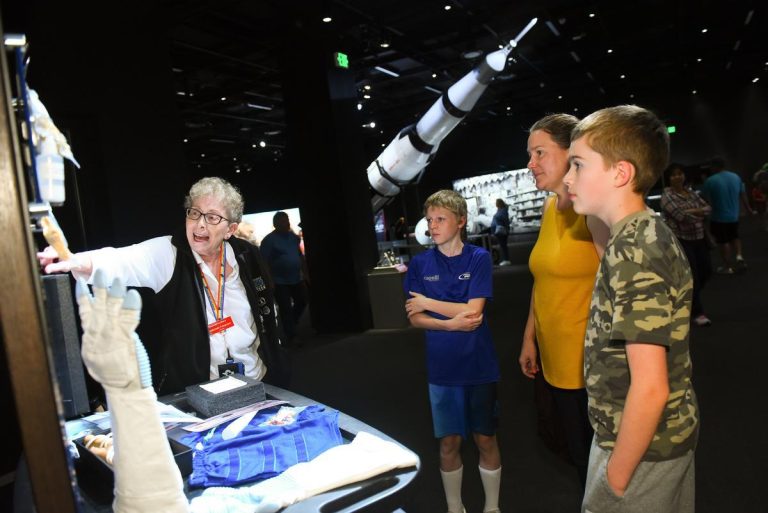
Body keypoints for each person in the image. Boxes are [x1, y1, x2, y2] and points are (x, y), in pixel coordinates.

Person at [563, 105, 699, 513]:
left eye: (578, 165)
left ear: (621, 174)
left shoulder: (635, 248)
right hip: (650, 439)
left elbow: (651, 386)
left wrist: (615, 482)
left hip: (641, 448)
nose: (569, 178)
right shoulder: (637, 233)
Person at [37, 177, 289, 394]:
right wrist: (74, 260)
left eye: (212, 218)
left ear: (230, 229)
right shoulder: (168, 253)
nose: (200, 224)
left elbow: (266, 313)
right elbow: (120, 259)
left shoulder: (247, 256)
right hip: (199, 390)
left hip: (255, 380)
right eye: (194, 213)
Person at [519, 113, 609, 490]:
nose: (530, 163)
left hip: (589, 366)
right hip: (554, 361)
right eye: (529, 154)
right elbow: (542, 281)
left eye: (540, 152)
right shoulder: (548, 208)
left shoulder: (590, 214)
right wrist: (529, 338)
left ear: (570, 152)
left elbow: (619, 288)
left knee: (598, 466)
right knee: (577, 457)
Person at [404, 190, 502, 513]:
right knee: (448, 442)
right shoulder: (419, 264)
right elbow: (415, 318)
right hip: (442, 369)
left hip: (479, 366)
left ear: (461, 221)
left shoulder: (478, 258)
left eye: (440, 219)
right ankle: (454, 507)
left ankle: (492, 507)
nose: (433, 225)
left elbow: (473, 313)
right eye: (430, 219)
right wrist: (451, 324)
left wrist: (431, 305)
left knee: (485, 438)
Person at [661, 164, 713, 326]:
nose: (677, 177)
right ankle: (697, 313)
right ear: (668, 179)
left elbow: (708, 208)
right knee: (693, 277)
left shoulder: (690, 192)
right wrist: (698, 211)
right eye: (673, 175)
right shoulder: (666, 196)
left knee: (706, 271)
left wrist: (695, 212)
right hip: (682, 241)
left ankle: (685, 299)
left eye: (680, 173)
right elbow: (681, 216)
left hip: (699, 238)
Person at [259, 211, 308, 345]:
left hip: (296, 278)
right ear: (275, 224)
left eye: (287, 220)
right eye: (282, 221)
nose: (286, 223)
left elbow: (299, 256)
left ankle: (290, 323)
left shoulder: (293, 237)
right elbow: (264, 262)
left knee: (302, 301)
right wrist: (269, 280)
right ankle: (291, 336)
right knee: (285, 307)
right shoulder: (269, 240)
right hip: (279, 281)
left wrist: (305, 274)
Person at [700, 157, 755, 273]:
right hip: (734, 216)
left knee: (723, 241)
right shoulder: (736, 177)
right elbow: (743, 195)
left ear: (714, 166)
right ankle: (739, 256)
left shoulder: (710, 181)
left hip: (718, 217)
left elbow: (702, 198)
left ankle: (728, 266)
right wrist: (748, 209)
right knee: (735, 237)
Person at [490, 198, 511, 266]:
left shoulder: (503, 211)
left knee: (503, 245)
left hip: (501, 230)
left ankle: (506, 259)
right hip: (500, 230)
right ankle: (505, 259)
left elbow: (505, 221)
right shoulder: (500, 210)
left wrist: (507, 229)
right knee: (502, 245)